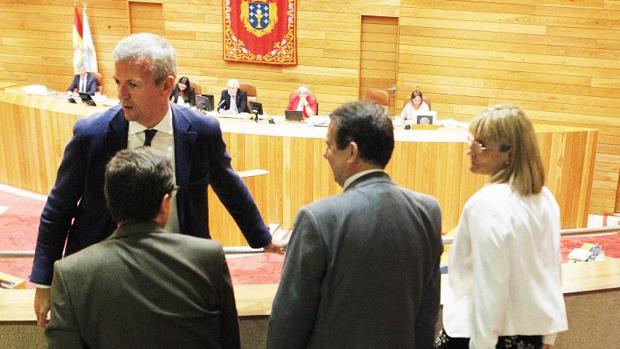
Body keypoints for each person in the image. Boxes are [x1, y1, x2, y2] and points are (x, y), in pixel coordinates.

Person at [32, 32, 284, 328]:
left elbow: (228, 186)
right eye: (117, 82)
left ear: (166, 85)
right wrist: (44, 281)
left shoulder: (200, 131)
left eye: (133, 85)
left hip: (176, 271)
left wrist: (262, 238)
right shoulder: (92, 134)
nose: (120, 94)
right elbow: (58, 207)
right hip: (101, 271)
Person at [267, 101, 443, 348]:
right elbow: (428, 310)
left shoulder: (318, 219)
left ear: (351, 152)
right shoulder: (428, 211)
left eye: (329, 146)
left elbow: (289, 319)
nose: (325, 154)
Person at [45, 147, 240, 349]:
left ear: (110, 201)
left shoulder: (70, 273)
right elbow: (230, 342)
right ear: (165, 204)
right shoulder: (208, 258)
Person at [436, 105, 568, 349]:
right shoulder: (545, 198)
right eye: (472, 141)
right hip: (531, 334)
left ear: (509, 152)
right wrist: (549, 335)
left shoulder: (486, 203)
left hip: (479, 335)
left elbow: (491, 285)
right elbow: (551, 271)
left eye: (481, 144)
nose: (470, 151)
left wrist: (482, 345)